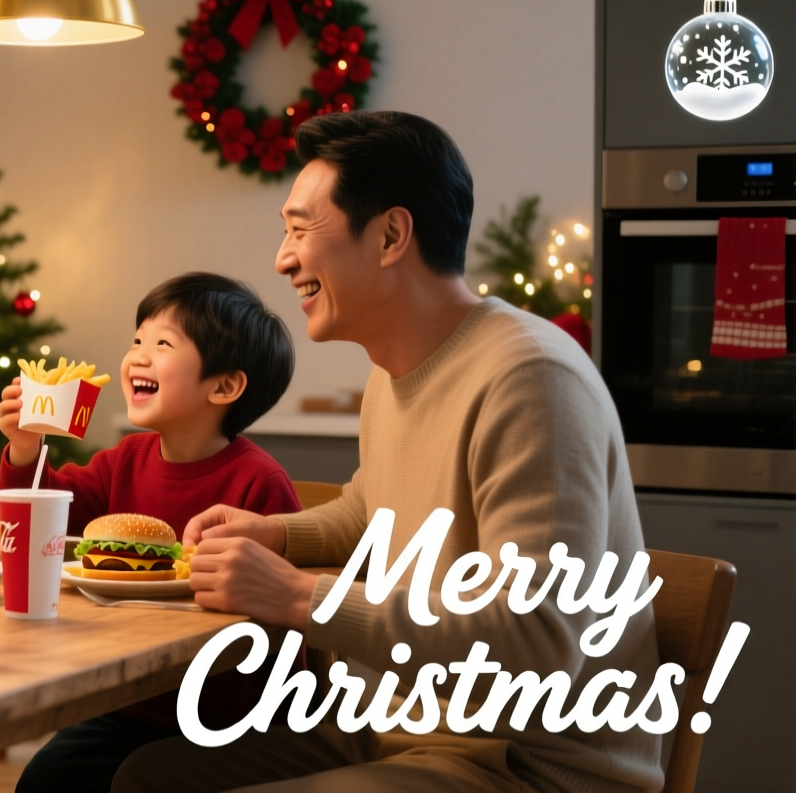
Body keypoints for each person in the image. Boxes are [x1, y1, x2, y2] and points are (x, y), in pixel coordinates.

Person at [114, 111, 662, 793]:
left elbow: (538, 642)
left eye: (299, 229)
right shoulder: (393, 374)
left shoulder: (530, 378)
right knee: (146, 776)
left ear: (391, 236)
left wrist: (299, 596)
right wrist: (275, 534)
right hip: (392, 726)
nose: (282, 259)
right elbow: (375, 508)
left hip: (521, 764)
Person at [0, 272, 302, 793]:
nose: (138, 355)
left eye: (163, 344)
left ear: (224, 385)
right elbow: (45, 525)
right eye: (138, 339)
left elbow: (285, 632)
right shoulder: (123, 462)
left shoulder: (258, 484)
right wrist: (24, 449)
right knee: (44, 781)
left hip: (233, 716)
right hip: (131, 707)